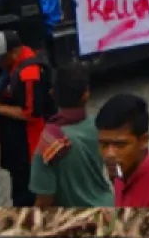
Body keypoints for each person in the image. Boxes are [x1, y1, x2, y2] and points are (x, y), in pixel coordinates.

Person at [0, 30, 53, 206]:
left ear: (14, 52)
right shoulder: (4, 62)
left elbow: (32, 114)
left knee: (26, 192)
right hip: (12, 139)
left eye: (0, 59)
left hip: (30, 144)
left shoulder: (30, 73)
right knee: (17, 183)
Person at [29, 65, 114, 207]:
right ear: (86, 94)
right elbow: (115, 168)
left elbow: (44, 199)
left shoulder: (49, 142)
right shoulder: (100, 126)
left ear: (52, 94)